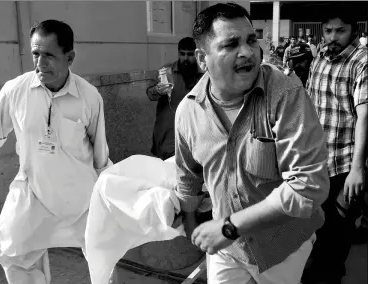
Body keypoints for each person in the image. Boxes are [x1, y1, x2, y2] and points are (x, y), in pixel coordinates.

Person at [174, 3, 330, 284]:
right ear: (202, 58)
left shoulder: (285, 94)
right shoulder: (188, 112)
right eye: (231, 44)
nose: (247, 52)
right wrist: (191, 226)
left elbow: (308, 185)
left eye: (250, 40)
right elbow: (188, 175)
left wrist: (229, 227)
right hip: (227, 248)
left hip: (283, 245)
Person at [0, 19, 112, 283]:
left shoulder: (89, 97)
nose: (40, 64)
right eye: (35, 54)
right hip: (33, 192)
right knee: (14, 250)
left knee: (104, 255)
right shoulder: (15, 91)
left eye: (49, 55)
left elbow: (100, 159)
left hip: (80, 198)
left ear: (69, 57)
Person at [304, 7, 367, 284]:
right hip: (317, 162)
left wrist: (357, 170)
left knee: (337, 235)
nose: (333, 36)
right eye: (328, 30)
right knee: (316, 230)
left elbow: (366, 117)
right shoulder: (320, 59)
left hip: (345, 166)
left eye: (340, 30)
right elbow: (309, 106)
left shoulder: (361, 62)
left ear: (354, 31)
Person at [146, 37, 203, 160]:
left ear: (196, 54)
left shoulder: (203, 76)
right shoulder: (167, 72)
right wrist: (157, 90)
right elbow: (150, 94)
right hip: (169, 136)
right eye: (182, 54)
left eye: (190, 54)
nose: (186, 58)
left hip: (194, 136)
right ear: (178, 53)